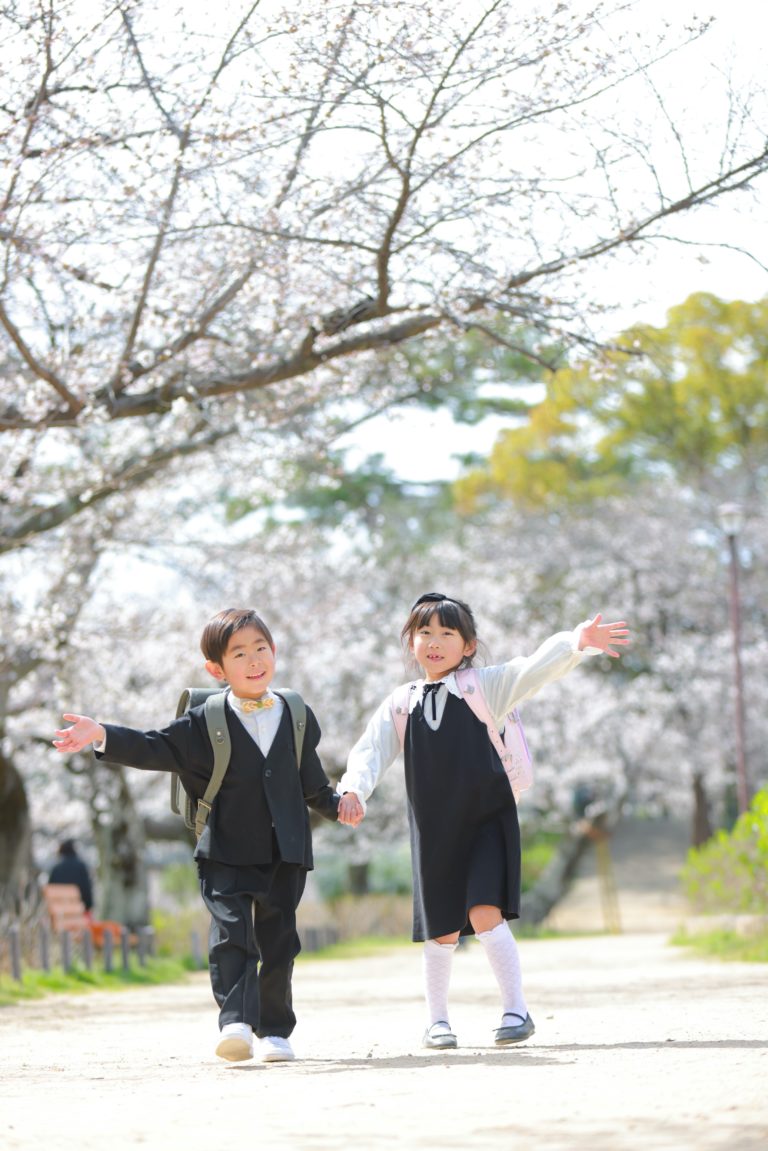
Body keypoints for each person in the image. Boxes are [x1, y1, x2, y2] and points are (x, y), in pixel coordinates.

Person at [337, 592, 629, 1050]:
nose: (434, 642)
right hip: (434, 829)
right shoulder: (401, 702)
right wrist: (354, 789)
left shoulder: (482, 687)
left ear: (468, 645)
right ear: (410, 642)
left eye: (447, 634)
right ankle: (437, 1021)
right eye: (424, 633)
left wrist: (575, 642)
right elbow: (371, 751)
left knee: (484, 912)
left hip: (487, 820)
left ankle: (516, 1010)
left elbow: (530, 670)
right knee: (442, 928)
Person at [53, 607, 340, 1064]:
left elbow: (312, 782)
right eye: (239, 653)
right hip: (224, 850)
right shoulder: (206, 721)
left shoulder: (296, 714)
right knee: (232, 934)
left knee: (279, 940)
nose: (253, 661)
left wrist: (339, 805)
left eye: (261, 648)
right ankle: (237, 1024)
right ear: (216, 668)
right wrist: (101, 733)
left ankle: (275, 1031)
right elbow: (154, 747)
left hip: (285, 851)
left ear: (274, 652)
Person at [48, 838, 94, 915]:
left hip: (59, 913)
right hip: (78, 914)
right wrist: (88, 907)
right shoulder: (81, 867)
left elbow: (50, 890)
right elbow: (87, 893)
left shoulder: (55, 869)